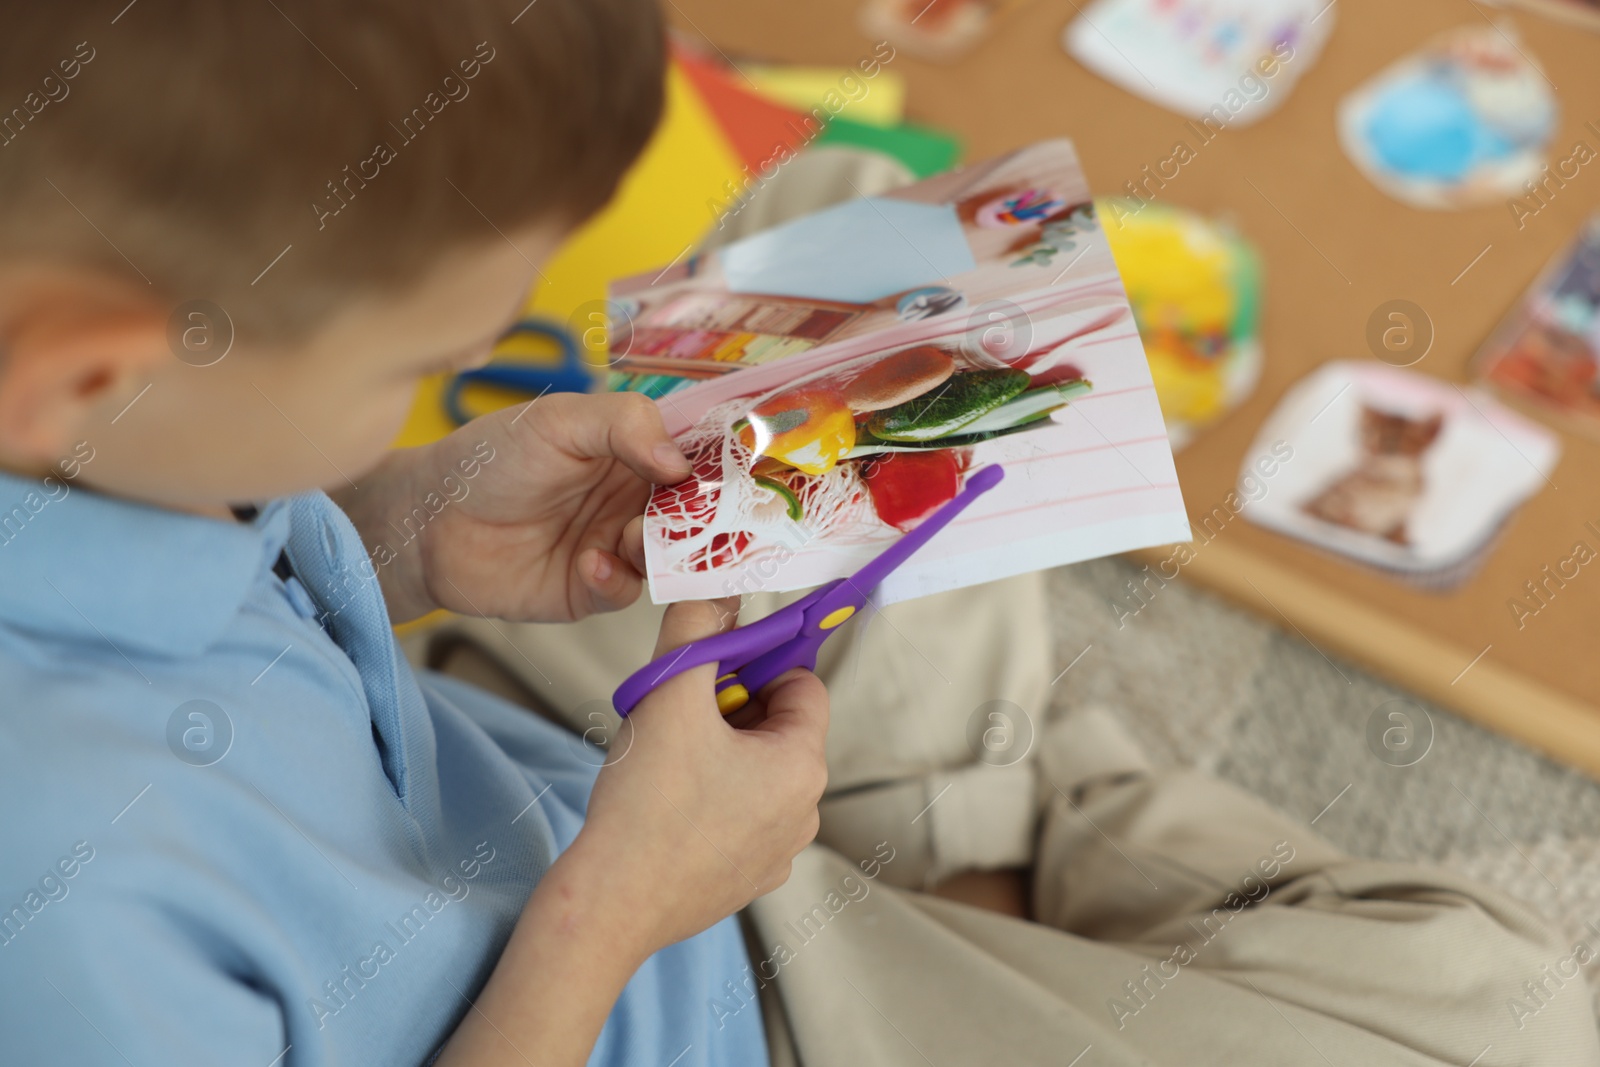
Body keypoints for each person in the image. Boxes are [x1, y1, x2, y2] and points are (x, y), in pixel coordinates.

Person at [0, 4, 1595, 1066]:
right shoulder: (58, 925)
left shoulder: (83, 432)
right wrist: (625, 902)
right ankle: (959, 863)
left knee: (859, 234)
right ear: (80, 368)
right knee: (1511, 1009)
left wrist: (389, 528)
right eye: (420, 370)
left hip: (527, 765)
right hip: (647, 975)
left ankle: (923, 839)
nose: (438, 391)